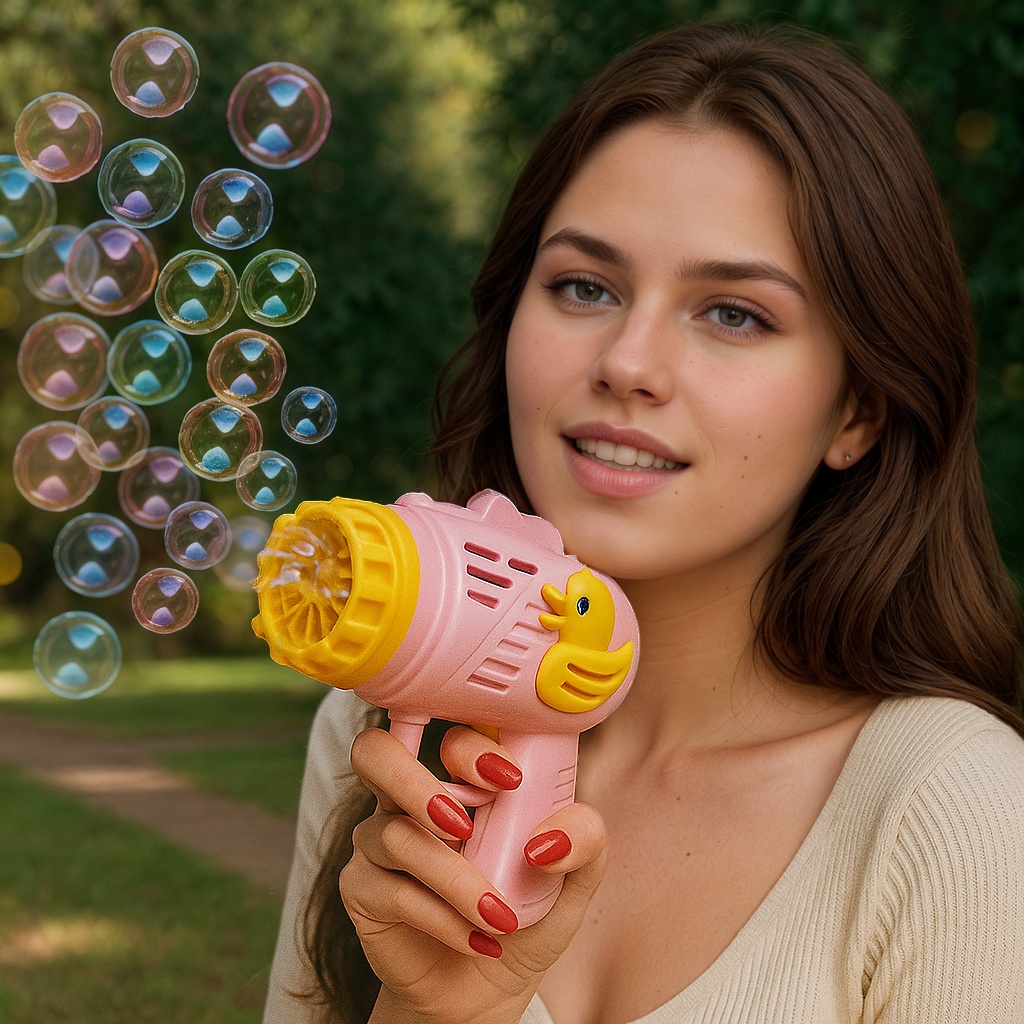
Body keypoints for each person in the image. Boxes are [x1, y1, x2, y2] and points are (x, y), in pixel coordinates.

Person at [262, 20, 1024, 1024]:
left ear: (858, 409)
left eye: (734, 313)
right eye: (583, 286)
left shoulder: (957, 806)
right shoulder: (388, 737)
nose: (627, 361)